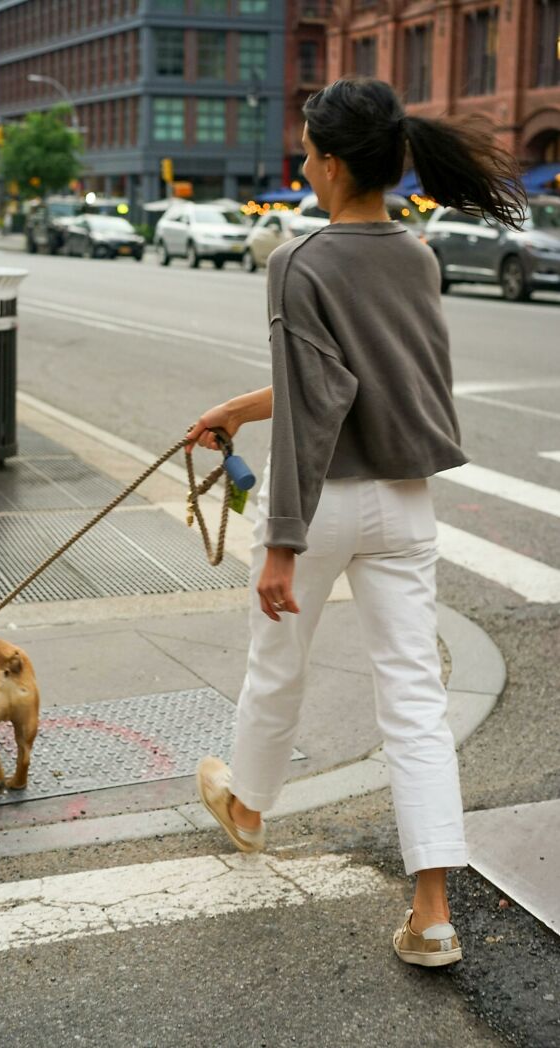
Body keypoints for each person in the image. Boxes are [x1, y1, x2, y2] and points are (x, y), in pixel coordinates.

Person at [187, 77, 526, 968]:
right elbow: (351, 386)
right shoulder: (418, 256)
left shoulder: (297, 263)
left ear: (334, 165)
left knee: (277, 667)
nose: (301, 163)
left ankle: (251, 809)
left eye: (307, 151)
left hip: (323, 501)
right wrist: (237, 407)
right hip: (406, 504)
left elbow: (312, 409)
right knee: (415, 701)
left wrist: (284, 543)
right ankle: (433, 915)